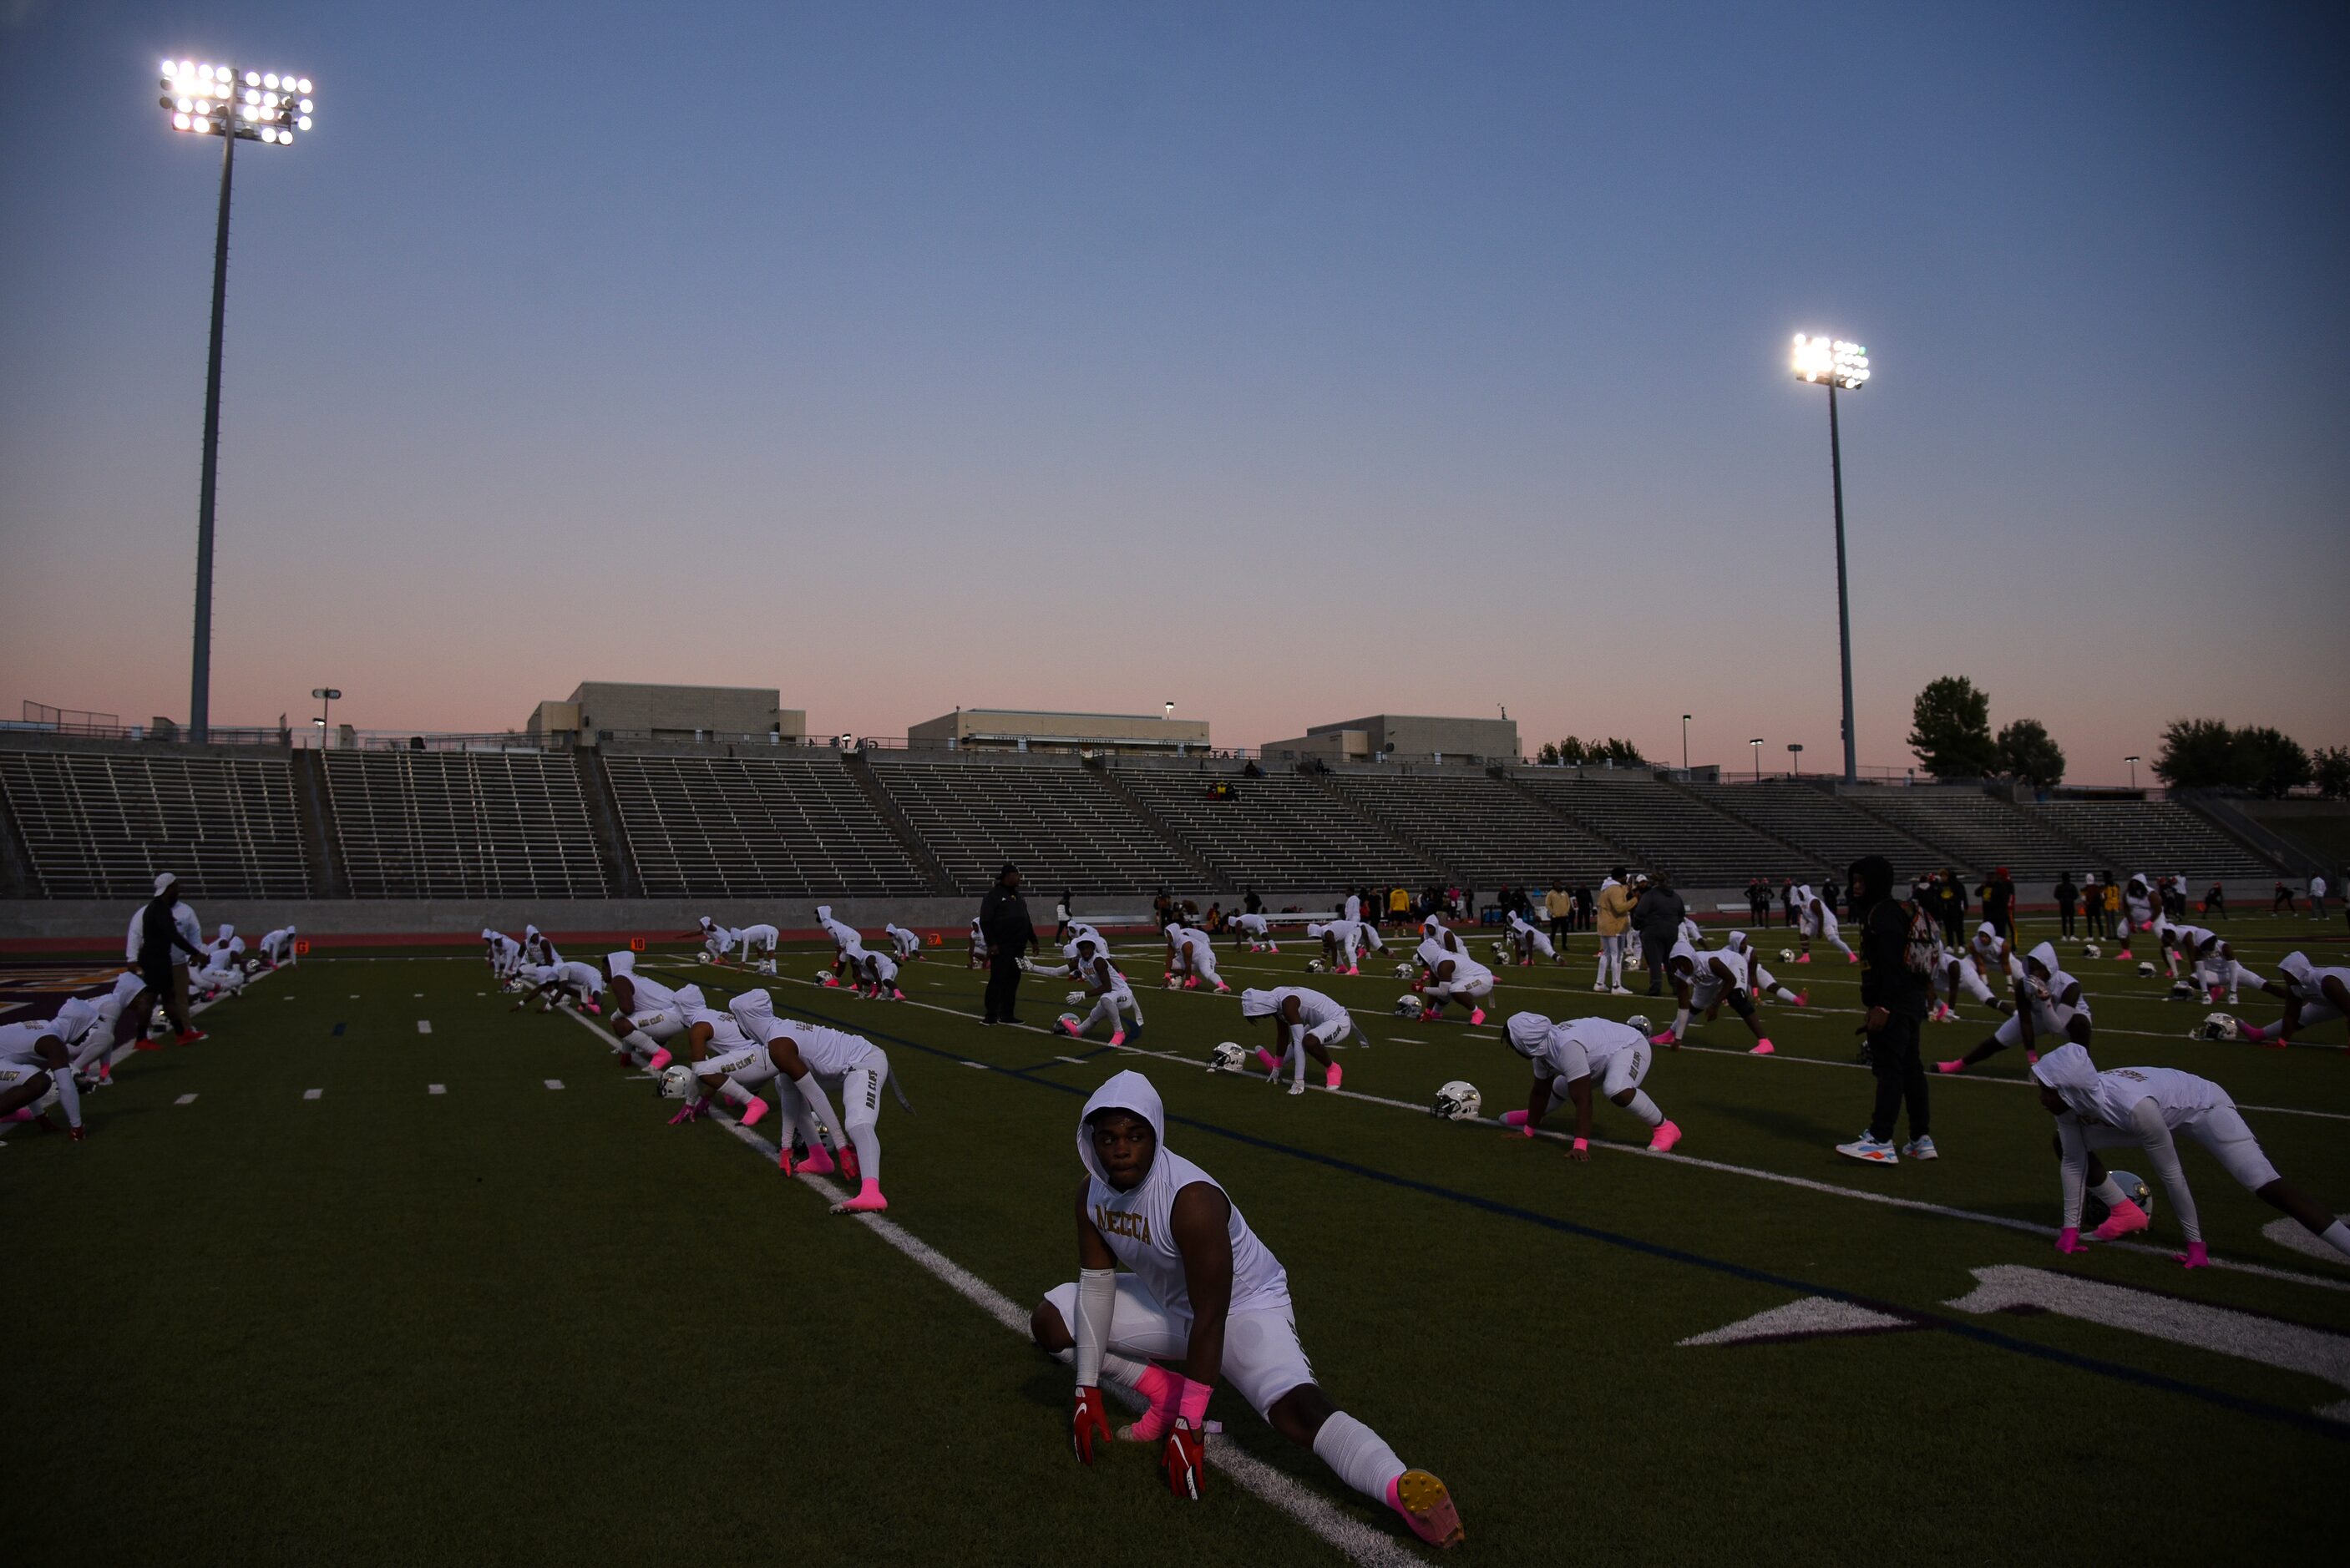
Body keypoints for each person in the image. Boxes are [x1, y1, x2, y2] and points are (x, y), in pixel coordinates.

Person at [1031, 1072, 1462, 1547]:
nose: (1121, 1150)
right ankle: (1162, 1388)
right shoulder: (1090, 1193)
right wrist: (1085, 1387)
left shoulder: (1192, 1200)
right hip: (1169, 1298)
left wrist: (1189, 1425)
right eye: (1108, 1138)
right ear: (1090, 1141)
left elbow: (1211, 1315)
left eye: (1136, 1136)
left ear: (1157, 1134)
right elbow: (1097, 1285)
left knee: (1292, 1409)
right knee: (1052, 1322)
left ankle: (1396, 1488)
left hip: (1242, 1306)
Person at [2032, 1043, 2350, 1267]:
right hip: (2150, 1110)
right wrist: (2069, 1232)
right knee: (2066, 1144)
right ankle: (2126, 1212)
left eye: (2048, 1089)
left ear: (2071, 1090)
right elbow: (2074, 1161)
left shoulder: (2134, 1107)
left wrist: (2195, 1244)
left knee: (2262, 1182)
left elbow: (2172, 1175)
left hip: (2203, 1106)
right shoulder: (2073, 1103)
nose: (2041, 1096)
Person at [729, 989, 896, 1212]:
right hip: (842, 1069)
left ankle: (872, 1193)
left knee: (857, 1123)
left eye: (736, 1017)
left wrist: (842, 1148)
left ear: (747, 1019)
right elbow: (790, 1091)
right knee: (783, 1083)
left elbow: (816, 1096)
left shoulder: (779, 1044)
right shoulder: (776, 1036)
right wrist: (786, 1147)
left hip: (864, 1061)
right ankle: (818, 1157)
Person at [1836, 856, 1935, 1166]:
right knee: (1910, 1068)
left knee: (1891, 1067)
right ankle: (1920, 1138)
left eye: (1863, 881)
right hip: (1909, 999)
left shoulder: (1883, 915)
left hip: (1896, 1001)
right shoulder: (1891, 912)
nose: (1856, 886)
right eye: (1855, 880)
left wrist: (1882, 1006)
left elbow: (1892, 966)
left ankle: (1880, 1139)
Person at [1500, 1012, 1680, 1153]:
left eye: (1512, 1042)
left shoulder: (1566, 1047)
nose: (1510, 1046)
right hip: (1599, 1054)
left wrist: (1580, 1145)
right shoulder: (1541, 1049)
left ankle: (1665, 1127)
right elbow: (1540, 1091)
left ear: (1525, 1042)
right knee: (1560, 1086)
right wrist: (1528, 1130)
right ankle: (1534, 1115)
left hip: (1629, 1045)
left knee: (1616, 1089)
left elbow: (1584, 1098)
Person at [1937, 941, 2087, 1075]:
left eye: (2040, 969)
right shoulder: (2024, 985)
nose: (2035, 973)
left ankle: (2082, 1068)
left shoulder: (2069, 986)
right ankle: (1959, 1064)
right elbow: (2025, 1021)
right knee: (1997, 1040)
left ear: (2050, 968)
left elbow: (2056, 1027)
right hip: (2038, 1016)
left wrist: (2045, 1000)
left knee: (2081, 1024)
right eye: (2032, 968)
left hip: (2065, 1020)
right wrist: (2033, 1059)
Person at [1653, 933, 1780, 1055]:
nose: (1681, 968)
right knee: (1695, 1006)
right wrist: (1678, 1039)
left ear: (1691, 958)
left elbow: (1731, 980)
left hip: (1732, 964)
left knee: (1736, 997)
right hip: (1709, 978)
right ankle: (1670, 1034)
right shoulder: (1681, 978)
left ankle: (1765, 1042)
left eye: (1683, 963)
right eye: (1677, 964)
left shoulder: (1711, 962)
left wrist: (1715, 1004)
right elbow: (1683, 1008)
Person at [125, 873, 207, 1047]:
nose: (178, 890)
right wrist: (196, 953)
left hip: (161, 959)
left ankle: (181, 1033)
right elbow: (173, 935)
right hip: (156, 960)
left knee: (169, 997)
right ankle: (142, 1038)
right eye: (176, 887)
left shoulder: (155, 908)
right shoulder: (160, 909)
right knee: (150, 998)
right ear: (169, 888)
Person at [0, 1000, 95, 1140]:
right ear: (77, 1024)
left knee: (35, 1079)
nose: (87, 1035)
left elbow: (24, 1080)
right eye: (87, 1028)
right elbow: (66, 1087)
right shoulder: (54, 1043)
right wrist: (77, 1127)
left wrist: (42, 1119)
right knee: (41, 1081)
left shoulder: (46, 1028)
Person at [1240, 986, 1358, 1094]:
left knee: (1309, 1041)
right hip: (1319, 1024)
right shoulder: (1275, 1000)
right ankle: (1274, 1065)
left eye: (1260, 1015)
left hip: (1339, 1021)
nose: (1263, 1017)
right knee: (1305, 1040)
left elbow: (1298, 1041)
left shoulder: (1288, 1004)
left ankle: (1333, 1068)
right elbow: (1283, 1035)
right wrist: (1277, 1067)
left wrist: (1298, 1080)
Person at [1046, 936, 1146, 1046]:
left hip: (1123, 994)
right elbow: (1055, 972)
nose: (1085, 951)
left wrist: (1084, 994)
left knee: (1105, 998)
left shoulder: (1098, 961)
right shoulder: (1080, 962)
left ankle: (1119, 1032)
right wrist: (1032, 967)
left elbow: (1107, 987)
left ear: (1093, 948)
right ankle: (1073, 1028)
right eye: (1083, 949)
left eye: (1088, 948)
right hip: (1111, 996)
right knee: (1089, 1021)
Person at [2234, 952, 2350, 1046]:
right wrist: (2282, 1042)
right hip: (2330, 1001)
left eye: (2286, 972)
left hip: (2344, 997)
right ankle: (2258, 1035)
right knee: (2303, 1017)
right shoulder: (2294, 987)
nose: (2283, 975)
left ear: (2296, 972)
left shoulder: (2327, 982)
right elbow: (2291, 1016)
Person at [980, 865, 1036, 1024]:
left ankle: (1007, 1014)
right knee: (998, 980)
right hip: (1002, 946)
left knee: (1013, 980)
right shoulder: (994, 896)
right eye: (1016, 875)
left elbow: (1026, 920)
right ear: (1007, 876)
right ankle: (991, 1015)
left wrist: (1033, 940)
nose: (1019, 878)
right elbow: (986, 921)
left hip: (1018, 946)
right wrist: (992, 943)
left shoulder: (1019, 897)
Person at [1412, 934, 1494, 1025]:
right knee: (1445, 988)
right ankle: (1436, 1012)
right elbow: (1434, 987)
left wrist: (1422, 989)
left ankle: (1477, 1012)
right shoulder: (1436, 961)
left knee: (1453, 989)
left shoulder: (1444, 964)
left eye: (1422, 961)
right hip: (1470, 978)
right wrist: (1427, 1012)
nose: (1423, 966)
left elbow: (1443, 991)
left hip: (1483, 978)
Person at [1630, 873, 1686, 997]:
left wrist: (1637, 925)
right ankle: (1676, 986)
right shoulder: (1675, 896)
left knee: (1655, 960)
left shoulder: (1650, 896)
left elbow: (1640, 913)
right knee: (1671, 960)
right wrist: (1672, 924)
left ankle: (1656, 987)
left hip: (1653, 930)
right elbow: (1681, 914)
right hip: (1671, 930)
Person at [1792, 883, 1855, 964]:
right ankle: (1805, 957)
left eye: (1800, 894)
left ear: (1805, 893)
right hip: (1814, 922)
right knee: (1804, 935)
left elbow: (1821, 917)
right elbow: (1803, 915)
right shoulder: (1802, 902)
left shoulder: (1814, 902)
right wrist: (1802, 929)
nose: (1799, 896)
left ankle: (1852, 956)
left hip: (1826, 921)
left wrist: (1819, 931)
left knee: (1833, 938)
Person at [1163, 923, 1229, 994]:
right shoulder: (1172, 942)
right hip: (1194, 960)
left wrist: (1187, 983)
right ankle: (1194, 980)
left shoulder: (1186, 944)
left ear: (1175, 933)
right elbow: (1169, 959)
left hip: (1204, 956)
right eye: (1167, 933)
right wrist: (1167, 976)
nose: (1168, 936)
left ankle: (1223, 986)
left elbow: (1188, 964)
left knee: (1207, 973)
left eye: (1169, 933)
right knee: (1172, 964)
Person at [2054, 873, 2079, 938]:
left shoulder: (2059, 886)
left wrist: (2061, 899)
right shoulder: (2072, 886)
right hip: (2070, 904)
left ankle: (2064, 935)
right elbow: (2076, 895)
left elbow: (2056, 895)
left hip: (2063, 904)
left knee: (2064, 921)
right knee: (2071, 920)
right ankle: (2072, 935)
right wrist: (2071, 899)